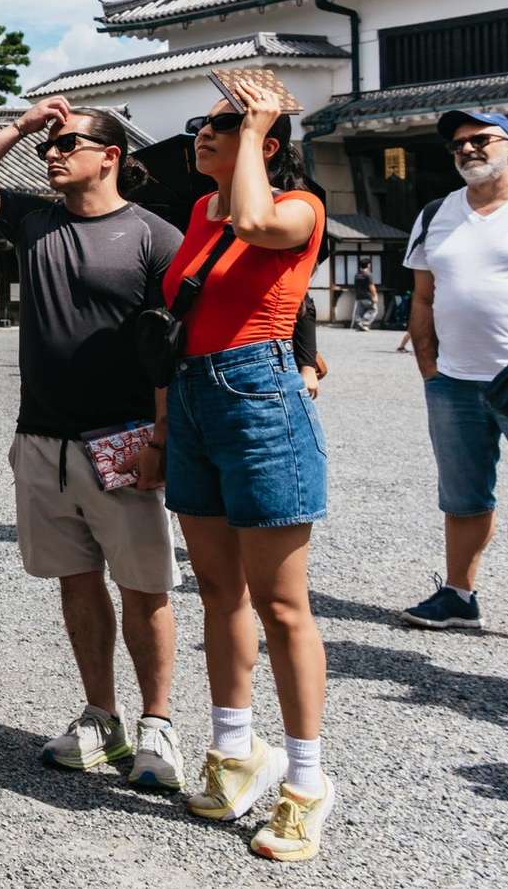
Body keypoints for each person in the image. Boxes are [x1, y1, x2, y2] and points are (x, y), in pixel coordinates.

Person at [0, 95, 187, 790]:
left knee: (144, 586)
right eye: (48, 145)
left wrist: (162, 437)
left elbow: (170, 347)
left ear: (111, 157)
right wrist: (19, 126)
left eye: (68, 143)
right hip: (42, 433)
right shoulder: (33, 219)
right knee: (76, 578)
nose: (52, 153)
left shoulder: (154, 236)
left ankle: (159, 722)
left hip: (123, 435)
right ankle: (101, 716)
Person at [165, 86, 332, 862]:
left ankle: (307, 781)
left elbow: (259, 225)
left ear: (265, 144)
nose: (205, 133)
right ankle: (236, 752)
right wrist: (161, 425)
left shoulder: (299, 207)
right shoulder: (200, 214)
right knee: (216, 590)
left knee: (282, 604)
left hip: (259, 396)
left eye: (225, 125)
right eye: (202, 124)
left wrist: (262, 120)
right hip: (194, 398)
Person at [399, 109, 508, 630]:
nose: (467, 149)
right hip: (453, 380)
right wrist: (428, 367)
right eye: (458, 144)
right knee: (462, 495)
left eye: (480, 139)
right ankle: (459, 594)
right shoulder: (437, 213)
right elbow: (423, 296)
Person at [350, 263, 379, 331]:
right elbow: (371, 286)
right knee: (373, 310)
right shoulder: (368, 275)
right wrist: (375, 296)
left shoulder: (357, 275)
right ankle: (364, 323)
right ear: (368, 265)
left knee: (360, 312)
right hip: (368, 296)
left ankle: (359, 323)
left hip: (359, 296)